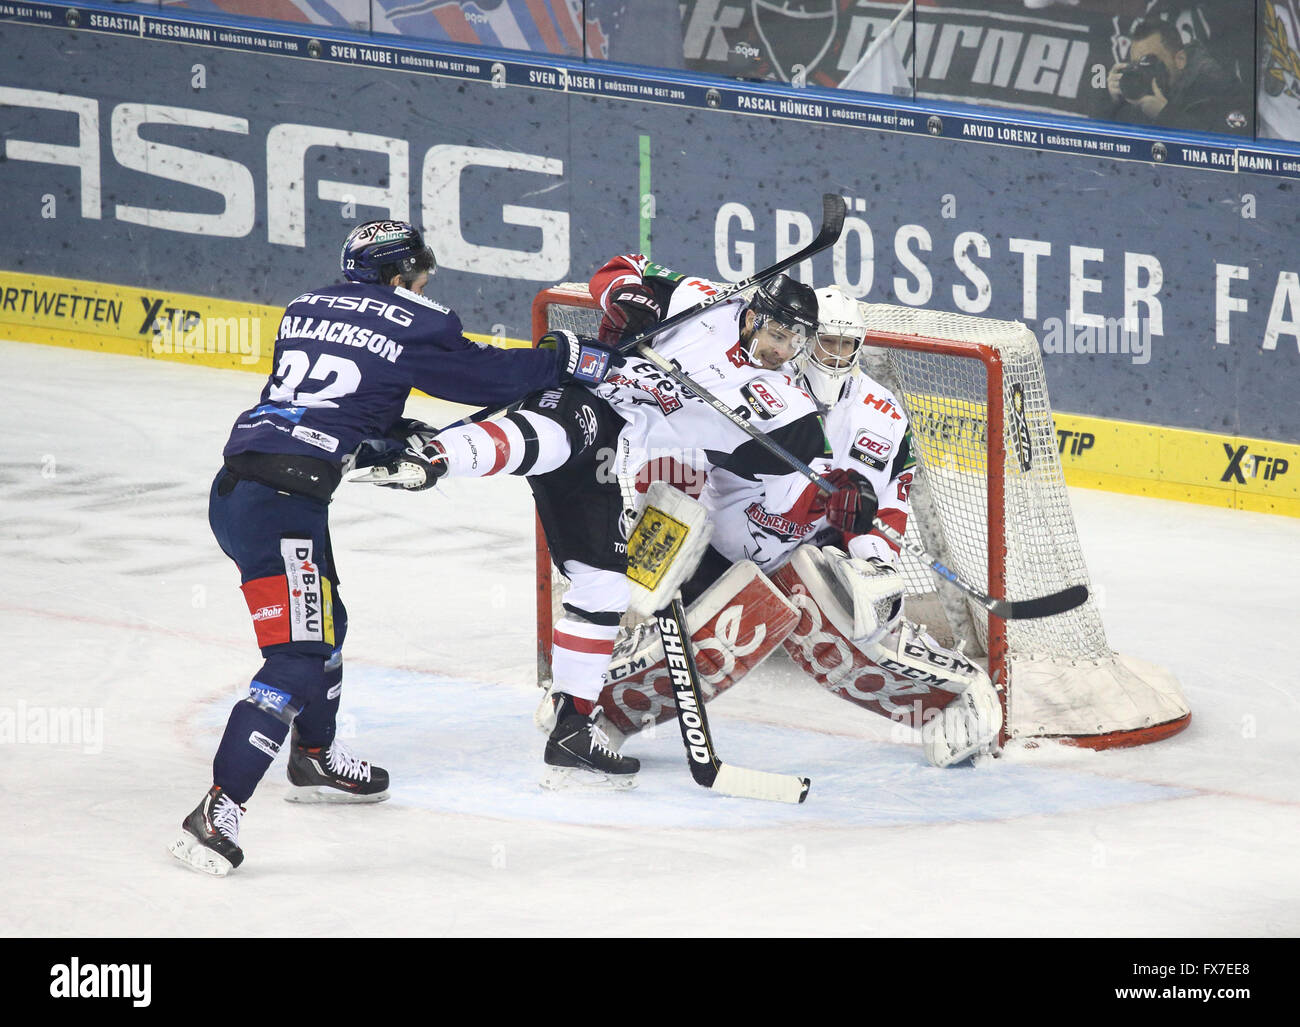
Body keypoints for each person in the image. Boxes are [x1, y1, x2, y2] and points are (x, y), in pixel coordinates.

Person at [169, 220, 614, 876]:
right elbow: (485, 377)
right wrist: (561, 356)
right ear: (403, 273)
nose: (427, 282)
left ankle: (313, 756)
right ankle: (217, 810)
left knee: (329, 622)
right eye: (423, 271)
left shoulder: (306, 306)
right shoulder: (411, 314)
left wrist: (390, 434)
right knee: (297, 657)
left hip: (241, 488)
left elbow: (342, 398)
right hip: (282, 505)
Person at [412, 255, 851, 789]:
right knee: (559, 431)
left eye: (794, 343)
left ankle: (571, 729)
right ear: (754, 315)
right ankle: (431, 459)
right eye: (778, 334)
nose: (782, 351)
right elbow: (622, 267)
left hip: (611, 458)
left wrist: (848, 495)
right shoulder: (702, 301)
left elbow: (813, 457)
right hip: (582, 398)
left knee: (604, 586)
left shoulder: (782, 399)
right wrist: (624, 297)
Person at [594, 285, 1002, 768]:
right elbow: (680, 449)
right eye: (824, 341)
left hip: (809, 548)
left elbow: (885, 495)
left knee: (853, 629)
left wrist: (873, 558)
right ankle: (598, 711)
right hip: (726, 538)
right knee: (700, 646)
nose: (834, 355)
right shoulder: (755, 379)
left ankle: (955, 700)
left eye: (845, 344)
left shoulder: (882, 413)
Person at [1095, 17, 1252, 135]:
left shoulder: (1219, 86)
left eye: (1149, 61)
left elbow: (1230, 147)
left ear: (1180, 60)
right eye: (1136, 64)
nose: (1142, 70)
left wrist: (1165, 115)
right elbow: (1097, 149)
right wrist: (1111, 103)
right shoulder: (1138, 90)